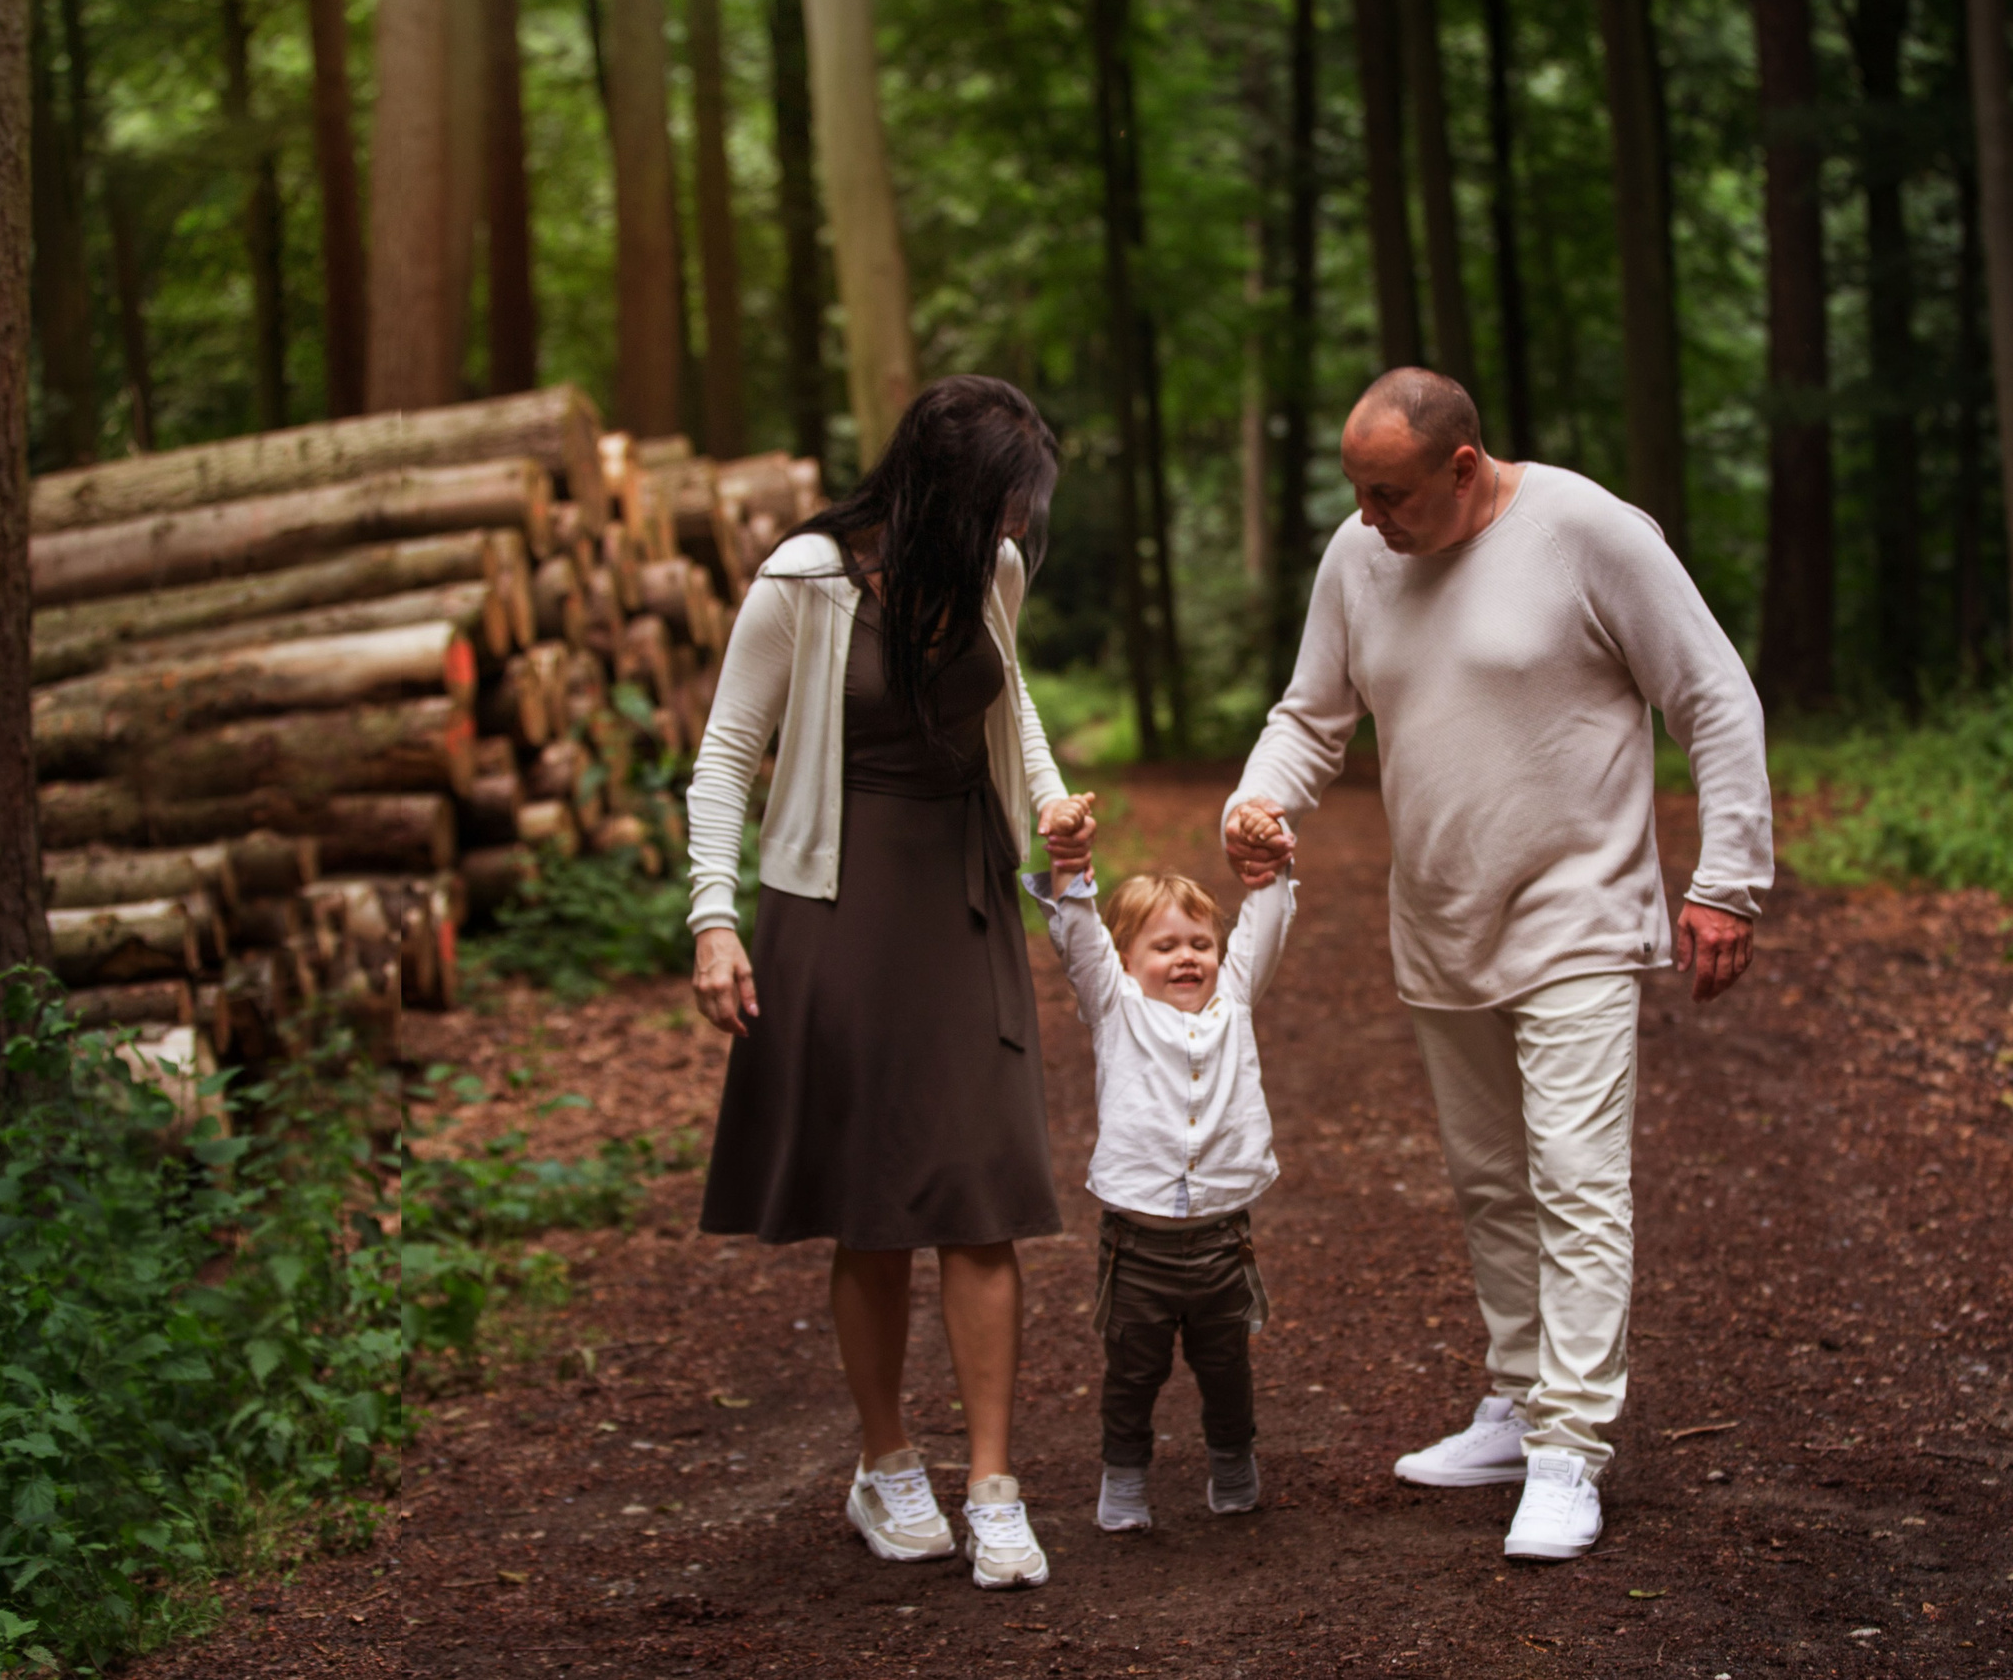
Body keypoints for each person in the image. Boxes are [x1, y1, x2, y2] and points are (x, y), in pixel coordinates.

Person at [1222, 367, 1772, 1562]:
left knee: (1576, 1179)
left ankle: (1571, 1447)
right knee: (1488, 1181)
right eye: (1358, 494)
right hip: (1441, 919)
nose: (1372, 517)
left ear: (1462, 467)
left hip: (1577, 914)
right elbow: (1312, 715)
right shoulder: (1358, 557)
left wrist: (1728, 879)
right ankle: (1519, 1399)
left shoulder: (1587, 532)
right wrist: (1258, 802)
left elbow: (1713, 696)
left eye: (1391, 493)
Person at [683, 375, 1097, 1591]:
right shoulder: (802, 583)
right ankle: (887, 1464)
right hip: (836, 898)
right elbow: (723, 759)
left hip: (960, 892)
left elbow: (1007, 708)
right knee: (872, 1206)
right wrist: (714, 920)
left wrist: (1051, 807)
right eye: (1003, 508)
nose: (1015, 533)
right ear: (940, 492)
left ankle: (995, 1486)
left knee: (980, 1190)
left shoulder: (990, 574)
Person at [1022, 852, 1295, 1533]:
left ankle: (1233, 1461)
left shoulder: (1232, 1003)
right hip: (1137, 1246)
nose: (1187, 958)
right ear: (1125, 958)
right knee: (1132, 1373)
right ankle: (1125, 1475)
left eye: (1200, 943)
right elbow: (1080, 938)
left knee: (1225, 1367)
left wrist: (1273, 866)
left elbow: (1264, 928)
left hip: (1220, 1241)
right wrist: (1069, 873)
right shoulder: (1116, 1008)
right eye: (1165, 945)